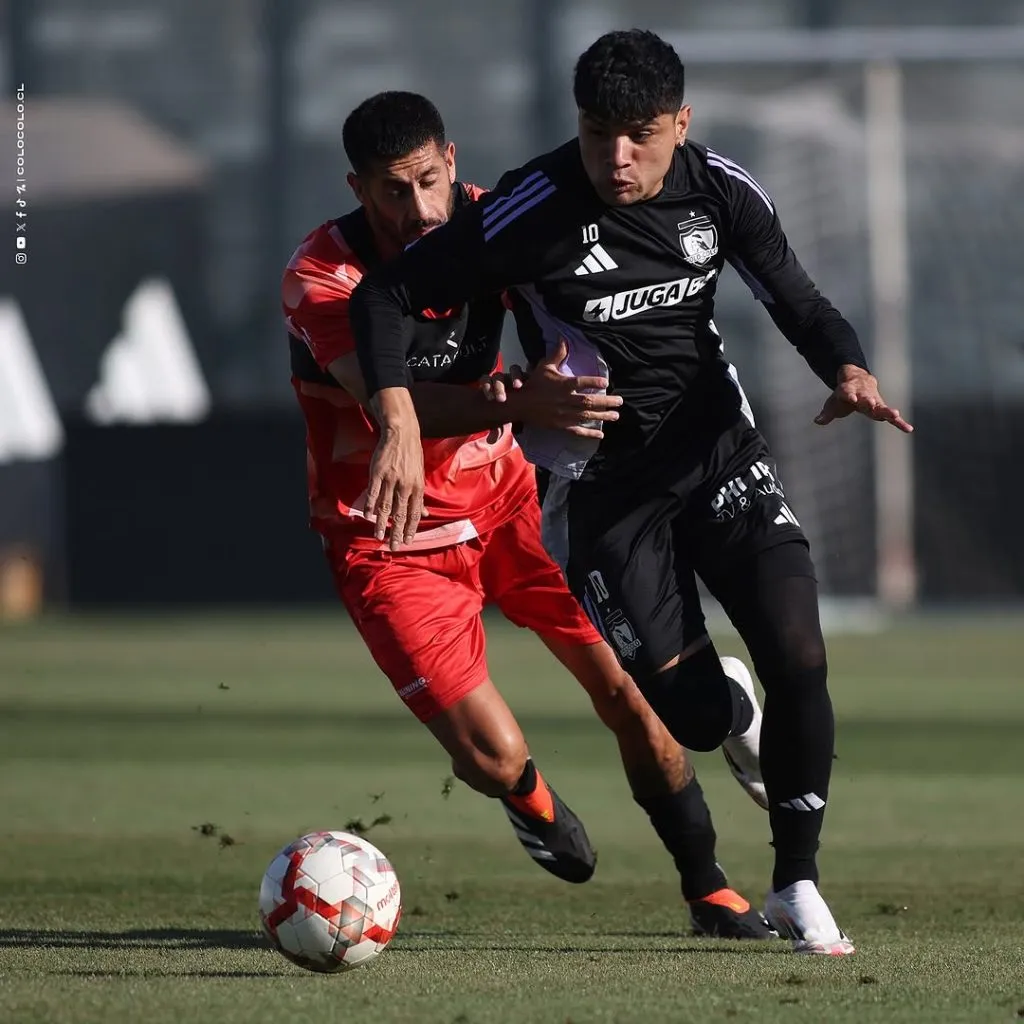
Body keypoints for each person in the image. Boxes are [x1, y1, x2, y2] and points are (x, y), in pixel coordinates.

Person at [348, 35, 915, 956]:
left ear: (680, 125)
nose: (617, 157)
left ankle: (797, 882)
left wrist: (847, 369)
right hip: (603, 492)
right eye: (597, 132)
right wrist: (400, 416)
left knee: (799, 652)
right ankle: (729, 710)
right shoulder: (531, 206)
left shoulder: (721, 190)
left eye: (640, 135)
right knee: (691, 718)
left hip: (718, 455)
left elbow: (798, 300)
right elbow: (381, 298)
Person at [282, 90, 773, 940]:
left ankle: (710, 891)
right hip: (389, 537)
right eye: (393, 191)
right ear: (358, 189)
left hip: (514, 505)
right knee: (492, 756)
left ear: (452, 161)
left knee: (633, 696)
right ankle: (526, 796)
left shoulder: (492, 221)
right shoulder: (323, 274)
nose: (419, 209)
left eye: (429, 181)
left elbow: (578, 303)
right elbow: (389, 404)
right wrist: (514, 403)